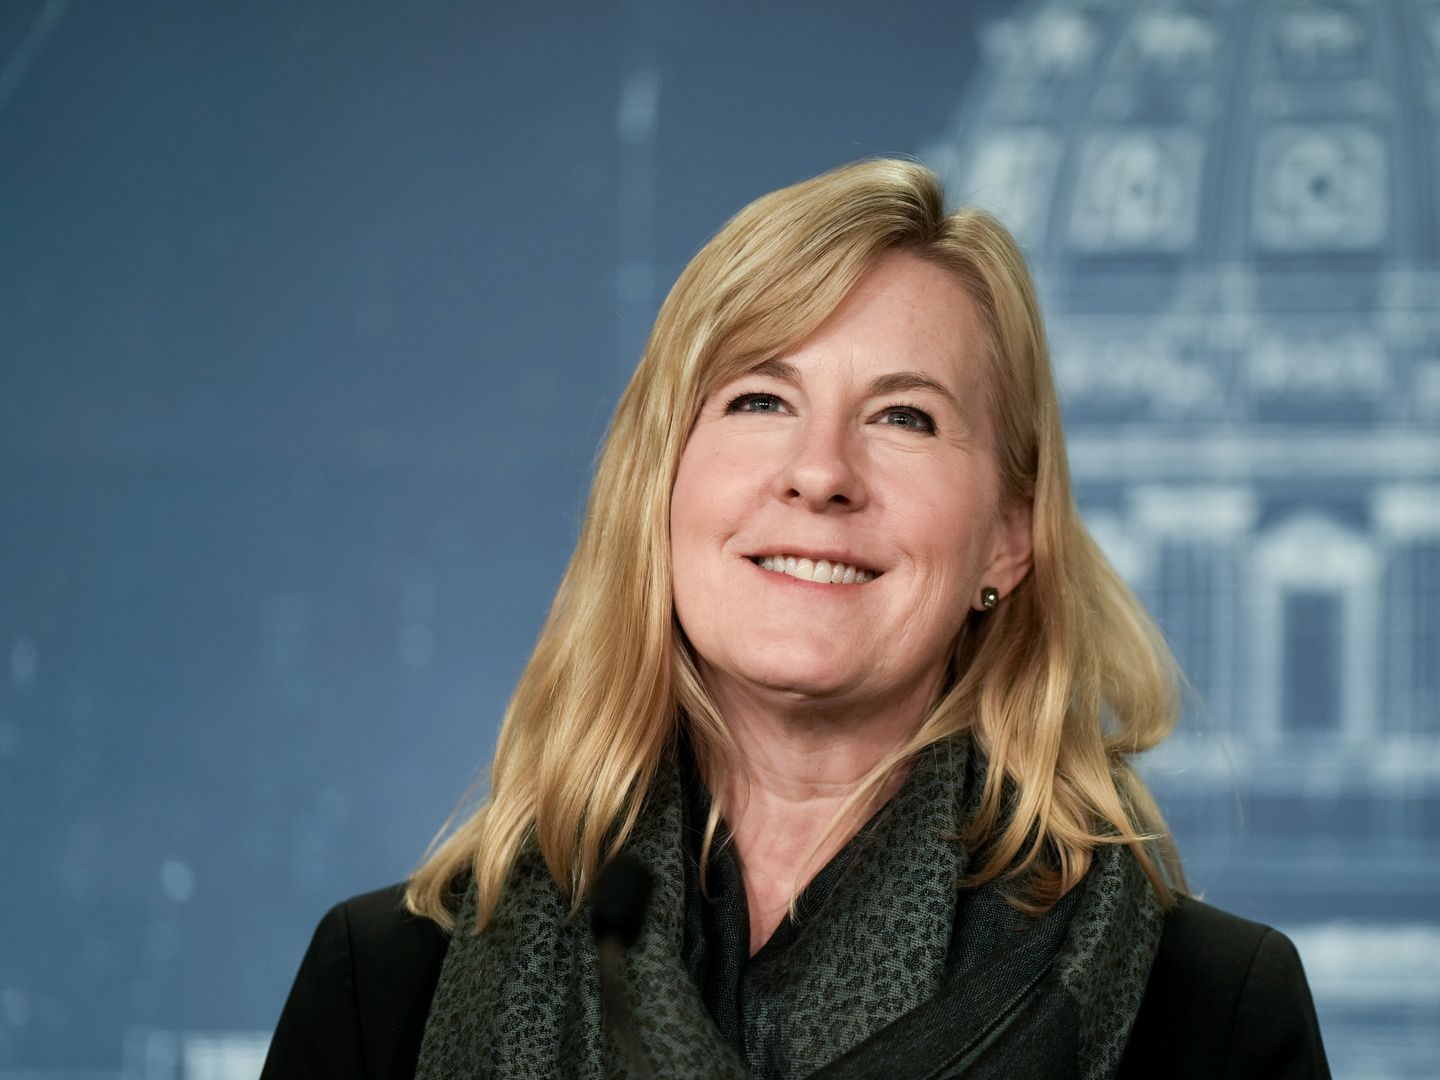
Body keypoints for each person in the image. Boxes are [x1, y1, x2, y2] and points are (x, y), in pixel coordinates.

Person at [263, 157, 1331, 1079]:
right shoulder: (383, 989)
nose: (820, 473)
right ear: (659, 487)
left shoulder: (1214, 1013)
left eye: (904, 416)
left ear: (1009, 538)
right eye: (760, 400)